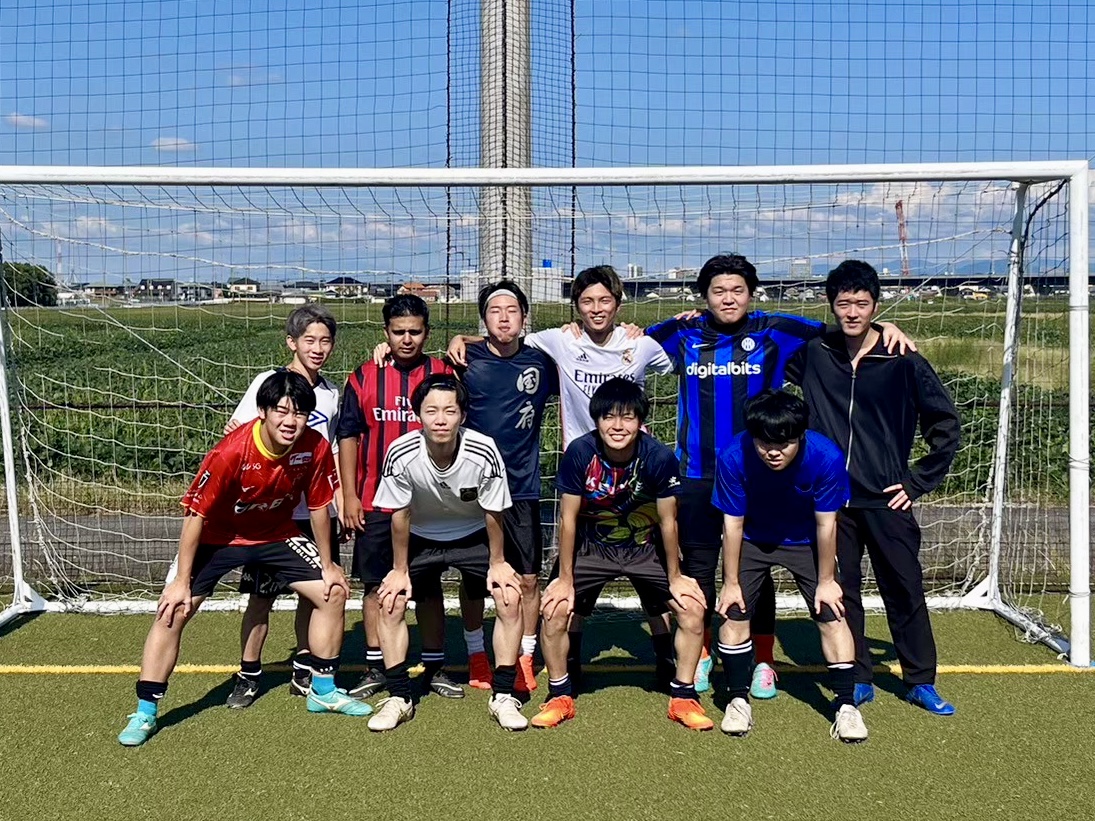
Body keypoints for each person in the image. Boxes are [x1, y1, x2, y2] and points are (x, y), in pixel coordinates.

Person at [646, 253, 912, 696]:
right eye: (718, 291)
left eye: (737, 290)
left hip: (760, 474)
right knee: (700, 570)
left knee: (757, 570)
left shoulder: (775, 330)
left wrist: (884, 328)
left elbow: (842, 329)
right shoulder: (683, 333)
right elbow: (628, 344)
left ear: (751, 294)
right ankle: (704, 652)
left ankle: (763, 661)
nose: (728, 298)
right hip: (697, 473)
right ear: (704, 296)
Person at [444, 265, 679, 687]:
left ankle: (667, 655)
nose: (596, 308)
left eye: (604, 300)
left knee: (639, 569)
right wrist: (461, 338)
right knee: (495, 575)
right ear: (575, 308)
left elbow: (670, 358)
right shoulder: (547, 345)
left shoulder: (626, 345)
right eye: (587, 301)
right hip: (564, 475)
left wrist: (656, 327)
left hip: (603, 477)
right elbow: (494, 344)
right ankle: (498, 655)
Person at [117, 372, 369, 747]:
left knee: (333, 592)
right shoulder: (231, 452)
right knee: (173, 610)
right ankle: (145, 712)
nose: (290, 421)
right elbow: (195, 515)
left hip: (276, 534)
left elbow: (318, 506)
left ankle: (323, 691)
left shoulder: (314, 445)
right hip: (218, 537)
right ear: (262, 411)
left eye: (300, 413)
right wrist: (181, 581)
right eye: (281, 411)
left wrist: (329, 564)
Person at [786, 260, 960, 715]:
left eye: (862, 304)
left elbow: (945, 424)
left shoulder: (902, 359)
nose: (852, 312)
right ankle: (858, 675)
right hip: (830, 500)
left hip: (887, 497)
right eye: (844, 303)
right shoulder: (814, 353)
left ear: (875, 306)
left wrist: (917, 481)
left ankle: (920, 680)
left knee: (904, 587)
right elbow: (765, 337)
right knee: (842, 590)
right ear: (831, 306)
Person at [533, 378, 712, 731]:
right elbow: (567, 519)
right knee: (554, 609)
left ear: (641, 421)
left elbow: (668, 521)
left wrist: (676, 577)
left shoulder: (659, 457)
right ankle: (559, 695)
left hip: (644, 547)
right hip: (592, 547)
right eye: (609, 417)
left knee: (692, 608)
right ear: (596, 420)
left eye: (628, 417)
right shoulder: (580, 452)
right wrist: (565, 579)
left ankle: (683, 697)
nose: (618, 426)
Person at [368, 374, 526, 732]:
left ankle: (503, 695)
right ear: (418, 415)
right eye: (431, 411)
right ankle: (399, 697)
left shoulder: (483, 449)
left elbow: (494, 511)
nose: (440, 419)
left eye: (449, 411)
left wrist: (498, 563)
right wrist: (399, 569)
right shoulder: (401, 452)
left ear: (463, 415)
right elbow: (399, 515)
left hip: (473, 532)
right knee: (389, 600)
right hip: (421, 535)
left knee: (509, 596)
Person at [712, 389, 867, 742]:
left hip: (806, 540)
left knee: (832, 612)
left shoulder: (826, 457)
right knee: (734, 612)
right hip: (752, 538)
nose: (773, 451)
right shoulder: (733, 456)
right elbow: (732, 525)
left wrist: (826, 580)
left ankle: (846, 706)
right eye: (764, 443)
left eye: (784, 443)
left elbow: (826, 524)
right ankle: (737, 700)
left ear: (801, 436)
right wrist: (730, 582)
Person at [337, 294, 458, 700]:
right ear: (386, 333)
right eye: (399, 331)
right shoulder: (364, 376)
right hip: (376, 501)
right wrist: (350, 495)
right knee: (375, 587)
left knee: (428, 586)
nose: (407, 339)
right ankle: (376, 666)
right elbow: (348, 435)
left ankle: (435, 666)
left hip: (430, 504)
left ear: (427, 333)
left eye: (415, 332)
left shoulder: (444, 374)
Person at [221, 304, 342, 708]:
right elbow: (238, 435)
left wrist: (341, 499)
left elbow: (331, 452)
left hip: (315, 513)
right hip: (271, 515)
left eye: (325, 341)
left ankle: (304, 667)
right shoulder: (267, 383)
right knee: (262, 597)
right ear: (292, 342)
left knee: (317, 594)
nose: (318, 348)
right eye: (310, 340)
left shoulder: (331, 394)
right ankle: (248, 673)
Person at [451, 281, 557, 694]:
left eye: (512, 310)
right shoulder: (465, 360)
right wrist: (462, 339)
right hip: (473, 486)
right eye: (495, 311)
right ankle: (477, 653)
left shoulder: (542, 361)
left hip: (522, 486)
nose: (504, 317)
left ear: (524, 318)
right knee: (474, 578)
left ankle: (526, 655)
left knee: (528, 578)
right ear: (484, 320)